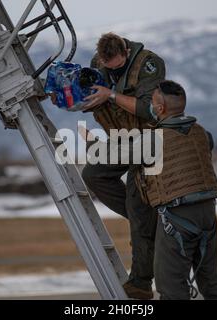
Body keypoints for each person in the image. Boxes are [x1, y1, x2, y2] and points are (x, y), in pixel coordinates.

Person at [80, 32, 166, 299]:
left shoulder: (149, 64)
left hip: (151, 139)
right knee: (93, 173)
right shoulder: (98, 64)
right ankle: (146, 219)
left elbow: (148, 110)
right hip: (122, 139)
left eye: (117, 66)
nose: (112, 70)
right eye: (108, 67)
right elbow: (96, 96)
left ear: (126, 52)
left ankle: (140, 284)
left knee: (136, 197)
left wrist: (111, 94)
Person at [135, 80, 217, 300]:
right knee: (211, 281)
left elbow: (116, 159)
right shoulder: (202, 134)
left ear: (160, 109)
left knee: (170, 284)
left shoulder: (153, 140)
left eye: (152, 102)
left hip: (176, 216)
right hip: (207, 213)